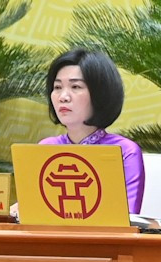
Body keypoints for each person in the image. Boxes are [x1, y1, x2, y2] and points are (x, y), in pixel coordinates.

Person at [39, 48, 145, 213]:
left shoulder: (124, 151)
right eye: (57, 87)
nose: (63, 97)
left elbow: (128, 220)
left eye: (75, 86)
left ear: (100, 94)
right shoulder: (45, 148)